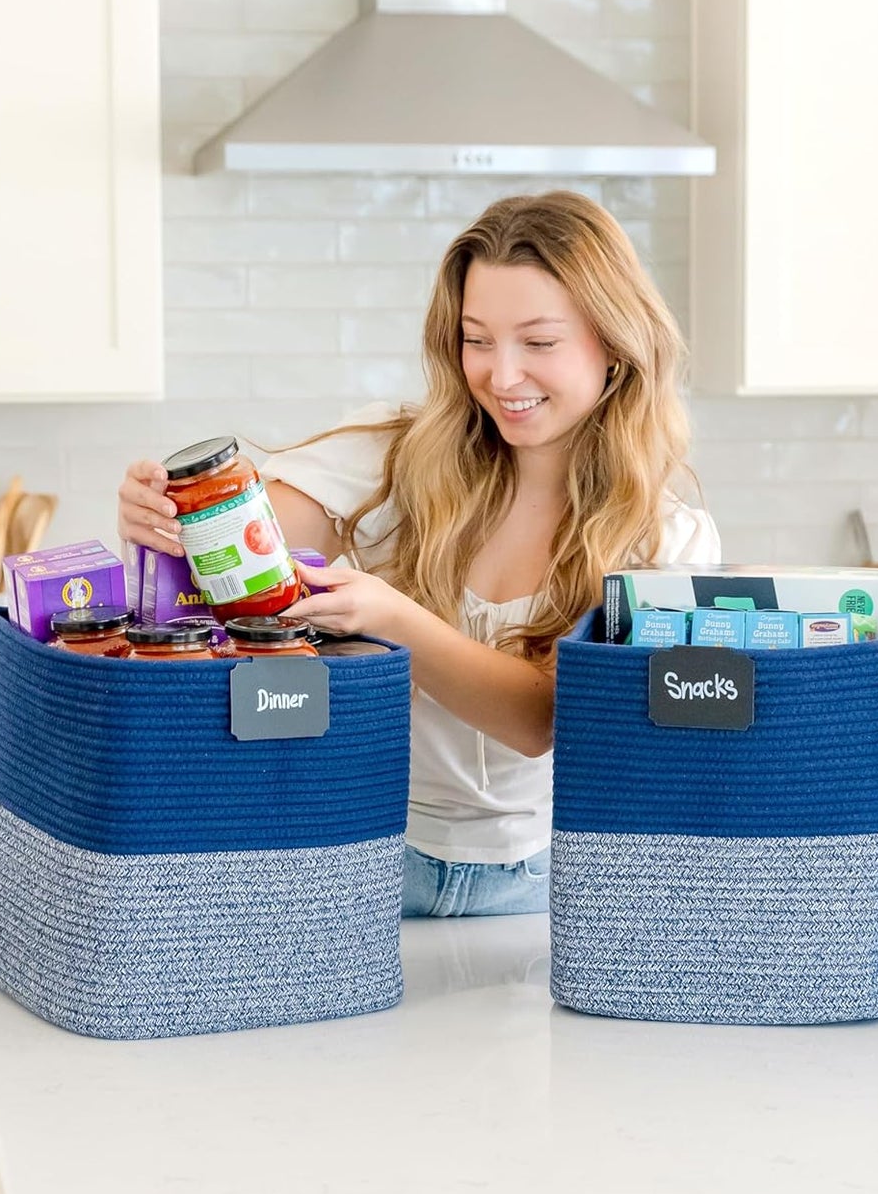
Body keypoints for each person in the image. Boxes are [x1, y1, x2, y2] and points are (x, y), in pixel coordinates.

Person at [118, 191, 720, 917]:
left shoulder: (666, 538)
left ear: (616, 346)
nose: (501, 375)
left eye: (538, 342)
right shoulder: (391, 455)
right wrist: (167, 522)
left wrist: (391, 617)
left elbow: (541, 718)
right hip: (363, 860)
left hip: (549, 889)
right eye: (477, 339)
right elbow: (237, 558)